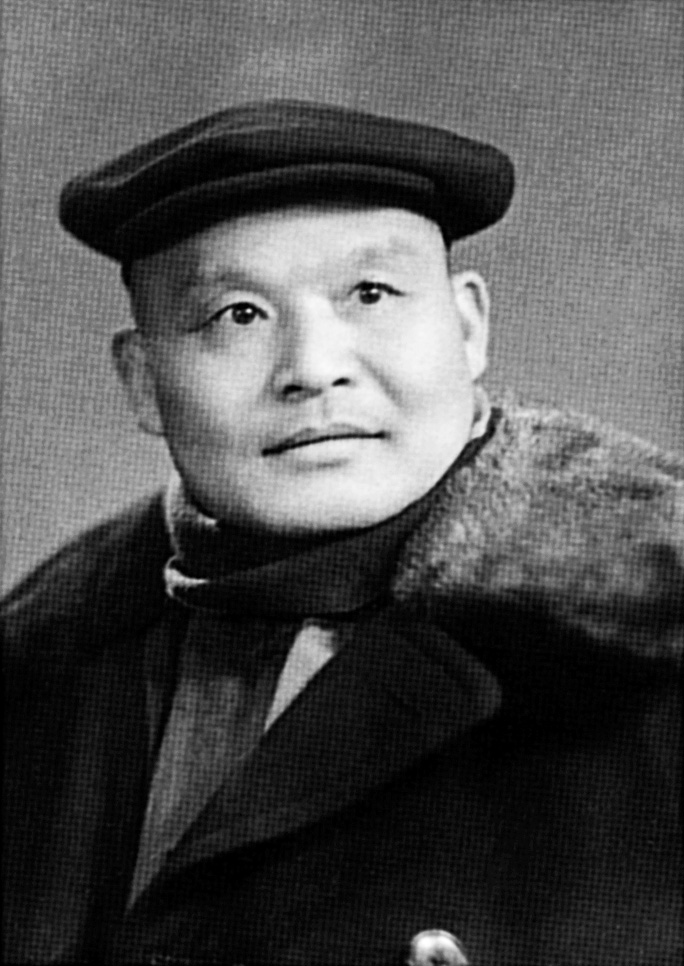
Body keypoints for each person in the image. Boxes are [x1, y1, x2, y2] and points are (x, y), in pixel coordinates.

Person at [3, 100, 682, 966]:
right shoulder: (41, 663)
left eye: (371, 294)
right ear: (142, 381)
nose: (314, 369)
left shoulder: (647, 649)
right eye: (237, 315)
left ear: (468, 327)